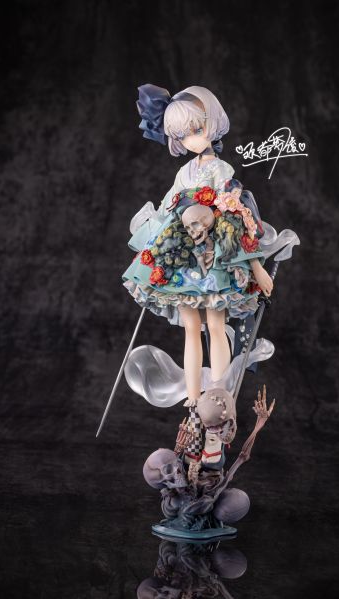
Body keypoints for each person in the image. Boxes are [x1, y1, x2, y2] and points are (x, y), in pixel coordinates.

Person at [122, 84, 274, 466]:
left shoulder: (221, 170)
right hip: (181, 260)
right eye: (182, 134)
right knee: (191, 328)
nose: (192, 138)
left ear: (212, 122)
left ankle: (218, 396)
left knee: (215, 324)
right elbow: (166, 211)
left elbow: (238, 216)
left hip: (214, 257)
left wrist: (255, 265)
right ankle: (193, 402)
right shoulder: (183, 172)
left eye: (197, 128)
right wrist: (151, 237)